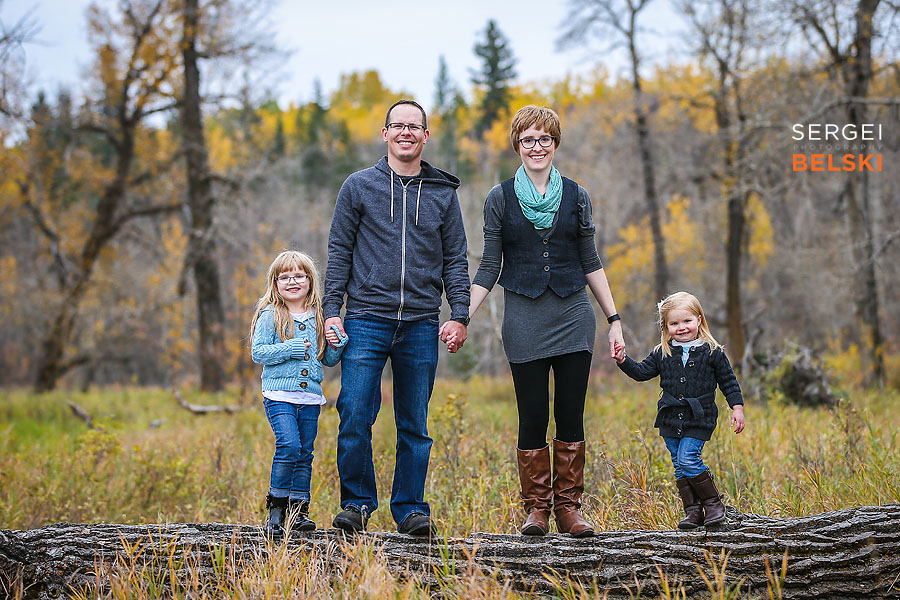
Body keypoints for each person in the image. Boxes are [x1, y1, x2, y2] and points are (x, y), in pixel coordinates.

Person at [464, 105, 625, 538]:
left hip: (573, 314)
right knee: (532, 413)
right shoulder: (499, 198)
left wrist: (614, 318)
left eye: (545, 139)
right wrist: (461, 316)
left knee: (570, 412)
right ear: (517, 145)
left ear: (555, 144)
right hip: (524, 317)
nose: (537, 147)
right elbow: (489, 266)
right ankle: (537, 509)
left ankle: (569, 510)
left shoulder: (577, 195)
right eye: (528, 140)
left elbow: (591, 261)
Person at [323, 99, 470, 536]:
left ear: (425, 136)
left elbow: (457, 260)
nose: (406, 132)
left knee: (415, 423)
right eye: (398, 125)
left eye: (415, 126)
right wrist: (332, 311)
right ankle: (356, 505)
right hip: (366, 319)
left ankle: (409, 509)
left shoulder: (443, 194)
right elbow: (338, 252)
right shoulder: (358, 186)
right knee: (353, 412)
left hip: (422, 323)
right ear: (384, 133)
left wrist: (459, 314)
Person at [614, 291, 745, 528]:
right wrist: (624, 360)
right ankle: (693, 513)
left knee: (687, 458)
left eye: (687, 321)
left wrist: (737, 408)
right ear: (666, 327)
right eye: (674, 323)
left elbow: (728, 381)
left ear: (699, 320)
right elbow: (642, 373)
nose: (682, 327)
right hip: (670, 418)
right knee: (678, 463)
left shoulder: (712, 351)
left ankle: (713, 504)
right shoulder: (662, 352)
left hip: (699, 416)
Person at [250, 250, 348, 538]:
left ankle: (299, 512)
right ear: (275, 282)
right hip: (279, 394)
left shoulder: (319, 315)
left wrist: (337, 344)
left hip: (310, 398)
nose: (292, 281)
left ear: (309, 280)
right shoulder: (271, 314)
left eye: (299, 276)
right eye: (285, 277)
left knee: (305, 453)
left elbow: (326, 359)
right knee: (289, 445)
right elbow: (258, 352)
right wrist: (290, 348)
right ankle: (276, 511)